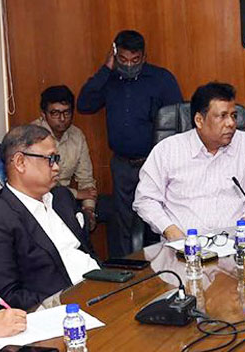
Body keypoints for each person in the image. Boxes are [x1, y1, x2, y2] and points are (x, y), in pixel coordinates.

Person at [77, 30, 182, 256]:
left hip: (156, 165)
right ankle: (131, 269)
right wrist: (106, 68)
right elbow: (84, 104)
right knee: (124, 222)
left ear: (144, 57)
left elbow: (178, 121)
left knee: (160, 219)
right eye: (123, 60)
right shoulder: (110, 79)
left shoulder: (161, 79)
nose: (129, 65)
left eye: (135, 60)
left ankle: (162, 266)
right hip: (123, 165)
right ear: (115, 55)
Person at [133, 82, 245, 241]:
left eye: (234, 115)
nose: (231, 123)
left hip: (236, 244)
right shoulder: (167, 150)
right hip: (183, 247)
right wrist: (169, 230)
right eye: (222, 116)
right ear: (199, 120)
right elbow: (146, 199)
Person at [0, 125, 100, 310]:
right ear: (20, 162)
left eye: (56, 159)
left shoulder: (62, 198)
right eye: (50, 159)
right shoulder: (0, 215)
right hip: (60, 310)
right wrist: (62, 303)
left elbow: (88, 253)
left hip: (100, 290)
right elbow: (8, 294)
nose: (57, 168)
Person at [31, 85, 98, 230]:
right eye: (55, 113)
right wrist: (76, 194)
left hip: (67, 202)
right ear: (43, 114)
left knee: (115, 209)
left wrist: (89, 210)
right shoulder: (32, 137)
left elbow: (86, 180)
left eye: (66, 113)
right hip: (39, 201)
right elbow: (40, 183)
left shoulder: (77, 136)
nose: (62, 119)